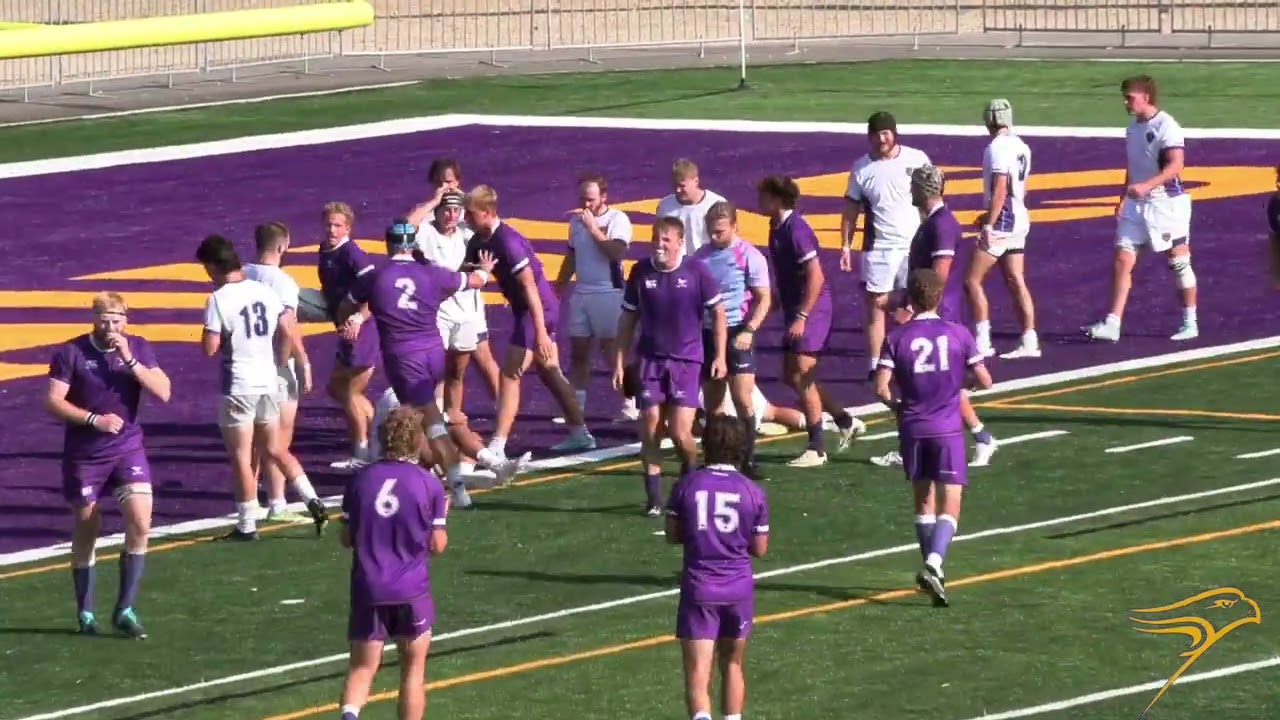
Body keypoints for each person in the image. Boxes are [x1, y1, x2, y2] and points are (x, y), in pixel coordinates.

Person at [337, 221, 519, 510]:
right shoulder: (430, 273)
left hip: (405, 358)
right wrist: (484, 268)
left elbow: (347, 304)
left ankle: (461, 486)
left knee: (431, 424)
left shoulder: (375, 276)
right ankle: (470, 466)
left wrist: (354, 318)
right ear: (412, 246)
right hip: (435, 354)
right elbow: (475, 281)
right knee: (430, 418)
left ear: (388, 244)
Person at [45, 291, 172, 638]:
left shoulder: (139, 347)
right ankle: (85, 611)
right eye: (106, 319)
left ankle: (125, 608)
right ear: (94, 318)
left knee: (141, 521)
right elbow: (53, 401)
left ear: (126, 319)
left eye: (118, 319)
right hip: (85, 454)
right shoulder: (71, 352)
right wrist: (92, 420)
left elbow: (163, 391)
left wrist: (130, 360)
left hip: (127, 448)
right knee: (88, 526)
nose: (112, 325)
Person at [874, 268, 993, 608]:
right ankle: (935, 563)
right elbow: (984, 380)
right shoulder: (958, 333)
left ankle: (934, 576)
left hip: (913, 426)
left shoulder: (896, 338)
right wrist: (958, 384)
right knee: (950, 502)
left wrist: (896, 406)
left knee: (922, 501)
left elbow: (880, 386)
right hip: (947, 428)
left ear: (909, 298)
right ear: (939, 297)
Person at [197, 234, 327, 540]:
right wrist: (281, 362)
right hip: (268, 379)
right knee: (276, 448)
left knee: (242, 456)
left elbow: (210, 348)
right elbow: (285, 329)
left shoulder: (218, 299)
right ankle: (312, 499)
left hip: (239, 384)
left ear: (215, 266)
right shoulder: (265, 291)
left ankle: (246, 525)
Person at [874, 165, 998, 468]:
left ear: (924, 189)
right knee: (942, 385)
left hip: (938, 313)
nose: (910, 190)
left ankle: (918, 444)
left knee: (927, 382)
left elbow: (937, 277)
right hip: (932, 309)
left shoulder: (941, 225)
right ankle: (981, 437)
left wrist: (910, 307)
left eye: (914, 185)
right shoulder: (933, 221)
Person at [465, 185, 596, 458]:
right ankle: (581, 433)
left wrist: (541, 334)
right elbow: (463, 274)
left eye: (470, 214)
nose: (466, 219)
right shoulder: (478, 241)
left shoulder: (507, 242)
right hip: (525, 309)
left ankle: (498, 445)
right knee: (550, 372)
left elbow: (531, 289)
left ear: (487, 212)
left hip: (537, 309)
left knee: (510, 374)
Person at [338, 406, 448, 720]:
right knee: (412, 672)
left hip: (368, 587)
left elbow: (347, 538)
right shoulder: (429, 484)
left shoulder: (360, 481)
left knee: (361, 667)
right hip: (411, 590)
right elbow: (437, 545)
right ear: (416, 440)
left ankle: (349, 715)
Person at [614, 217, 726, 516]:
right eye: (655, 237)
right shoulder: (640, 272)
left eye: (665, 239)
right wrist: (620, 361)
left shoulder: (697, 271)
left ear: (679, 241)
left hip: (687, 362)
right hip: (650, 360)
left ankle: (692, 470)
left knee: (679, 433)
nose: (659, 244)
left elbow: (718, 313)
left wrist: (720, 356)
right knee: (650, 423)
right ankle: (654, 500)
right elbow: (628, 319)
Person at [665, 415, 769, 720]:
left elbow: (673, 535)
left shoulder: (687, 485)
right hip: (738, 588)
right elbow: (760, 549)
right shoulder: (752, 491)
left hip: (700, 587)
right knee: (733, 664)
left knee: (698, 673)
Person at [759, 175, 866, 468]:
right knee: (791, 374)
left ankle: (816, 446)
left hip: (813, 308)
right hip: (797, 306)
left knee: (803, 373)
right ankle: (844, 420)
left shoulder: (797, 230)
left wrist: (803, 315)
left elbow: (816, 276)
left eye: (764, 196)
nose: (759, 202)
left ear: (778, 199)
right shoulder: (776, 227)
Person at [1085, 75, 1198, 343]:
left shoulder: (1167, 126)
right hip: (1137, 204)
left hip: (1166, 204)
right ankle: (1113, 323)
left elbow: (1176, 166)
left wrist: (1147, 186)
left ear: (1146, 97)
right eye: (1124, 97)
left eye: (1130, 97)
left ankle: (1190, 321)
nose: (1126, 103)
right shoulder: (1133, 127)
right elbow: (1133, 163)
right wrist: (1124, 196)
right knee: (1123, 259)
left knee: (1179, 262)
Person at [839, 111, 933, 376]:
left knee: (916, 303)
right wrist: (846, 245)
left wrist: (931, 235)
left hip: (912, 245)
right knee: (875, 305)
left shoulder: (917, 159)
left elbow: (931, 199)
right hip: (878, 248)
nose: (881, 139)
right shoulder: (861, 168)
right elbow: (851, 211)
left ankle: (912, 359)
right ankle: (875, 365)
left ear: (894, 133)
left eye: (885, 133)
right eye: (876, 134)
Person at [243, 221, 317, 523]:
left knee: (248, 440)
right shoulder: (283, 282)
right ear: (283, 245)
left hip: (245, 365)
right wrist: (296, 360)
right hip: (272, 367)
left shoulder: (241, 274)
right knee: (277, 439)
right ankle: (276, 501)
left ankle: (247, 503)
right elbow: (287, 326)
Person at [693, 200, 771, 478]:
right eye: (711, 232)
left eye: (720, 232)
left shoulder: (749, 255)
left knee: (742, 398)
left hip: (738, 331)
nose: (714, 238)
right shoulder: (699, 258)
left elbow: (764, 298)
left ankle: (747, 458)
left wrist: (750, 330)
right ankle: (712, 456)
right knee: (713, 401)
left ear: (735, 226)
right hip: (708, 332)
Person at [554, 173, 637, 424]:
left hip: (608, 292)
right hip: (581, 292)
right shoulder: (575, 222)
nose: (586, 204)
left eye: (590, 199)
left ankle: (629, 403)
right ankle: (576, 409)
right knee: (578, 353)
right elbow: (572, 256)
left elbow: (616, 252)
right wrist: (559, 286)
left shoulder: (617, 219)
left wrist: (594, 230)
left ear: (603, 197)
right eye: (582, 199)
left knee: (613, 352)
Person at [413, 190, 501, 416]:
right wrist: (432, 200)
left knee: (457, 372)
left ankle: (453, 418)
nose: (452, 215)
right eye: (446, 210)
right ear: (437, 212)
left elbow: (492, 223)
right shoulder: (427, 231)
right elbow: (405, 225)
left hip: (466, 313)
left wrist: (468, 198)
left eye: (456, 210)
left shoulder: (467, 231)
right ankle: (432, 419)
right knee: (432, 369)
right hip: (439, 312)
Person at [967, 98, 1040, 360]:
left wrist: (989, 222)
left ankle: (983, 341)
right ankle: (1029, 338)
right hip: (1019, 217)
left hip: (1004, 221)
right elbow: (1019, 188)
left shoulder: (996, 148)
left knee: (972, 280)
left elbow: (1000, 189)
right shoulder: (1022, 146)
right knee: (1015, 279)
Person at [317, 202, 381, 473]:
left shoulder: (352, 253)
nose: (332, 230)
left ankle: (363, 451)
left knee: (351, 392)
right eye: (329, 224)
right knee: (337, 388)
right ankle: (379, 434)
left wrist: (357, 316)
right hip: (345, 329)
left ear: (348, 228)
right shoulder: (325, 249)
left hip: (361, 331)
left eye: (338, 225)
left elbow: (373, 285)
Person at [656, 159, 726, 255]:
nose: (678, 190)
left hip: (708, 263)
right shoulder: (665, 206)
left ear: (696, 181)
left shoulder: (716, 204)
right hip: (677, 265)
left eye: (682, 186)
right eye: (675, 185)